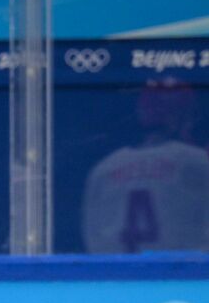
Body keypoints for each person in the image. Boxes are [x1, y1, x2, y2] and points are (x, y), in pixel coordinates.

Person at [82, 77, 209, 253]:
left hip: (118, 275)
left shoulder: (104, 168)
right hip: (184, 275)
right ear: (184, 116)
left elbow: (94, 243)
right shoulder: (197, 161)